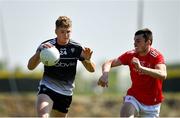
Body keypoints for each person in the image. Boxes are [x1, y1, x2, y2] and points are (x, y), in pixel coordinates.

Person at [27, 16, 95, 117]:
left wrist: (87, 60)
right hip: (48, 87)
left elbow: (92, 70)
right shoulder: (47, 46)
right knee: (43, 115)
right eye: (62, 32)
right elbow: (30, 67)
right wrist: (39, 53)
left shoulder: (76, 48)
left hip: (65, 93)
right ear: (56, 31)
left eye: (68, 32)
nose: (66, 35)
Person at [97, 28, 167, 117]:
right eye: (134, 41)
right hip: (134, 98)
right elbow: (109, 63)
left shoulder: (156, 56)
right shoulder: (130, 55)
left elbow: (163, 74)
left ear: (148, 42)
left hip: (152, 105)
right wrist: (105, 74)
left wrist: (141, 68)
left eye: (138, 41)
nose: (134, 44)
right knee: (126, 113)